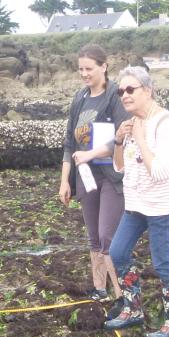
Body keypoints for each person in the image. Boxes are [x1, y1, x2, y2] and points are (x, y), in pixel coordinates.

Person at [103, 66, 169, 337]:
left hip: (163, 205)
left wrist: (140, 138)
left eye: (131, 89)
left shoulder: (166, 124)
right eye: (120, 91)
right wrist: (119, 139)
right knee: (117, 253)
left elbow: (160, 171)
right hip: (137, 202)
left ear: (148, 90)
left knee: (163, 264)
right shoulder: (130, 123)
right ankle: (133, 309)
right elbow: (119, 166)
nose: (125, 95)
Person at [57, 44, 129, 300]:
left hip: (112, 176)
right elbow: (70, 142)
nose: (84, 74)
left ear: (104, 67)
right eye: (81, 69)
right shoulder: (80, 98)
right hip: (85, 176)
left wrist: (90, 154)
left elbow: (123, 139)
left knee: (108, 235)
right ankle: (100, 289)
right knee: (94, 238)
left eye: (89, 68)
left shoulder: (115, 96)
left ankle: (121, 296)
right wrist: (65, 181)